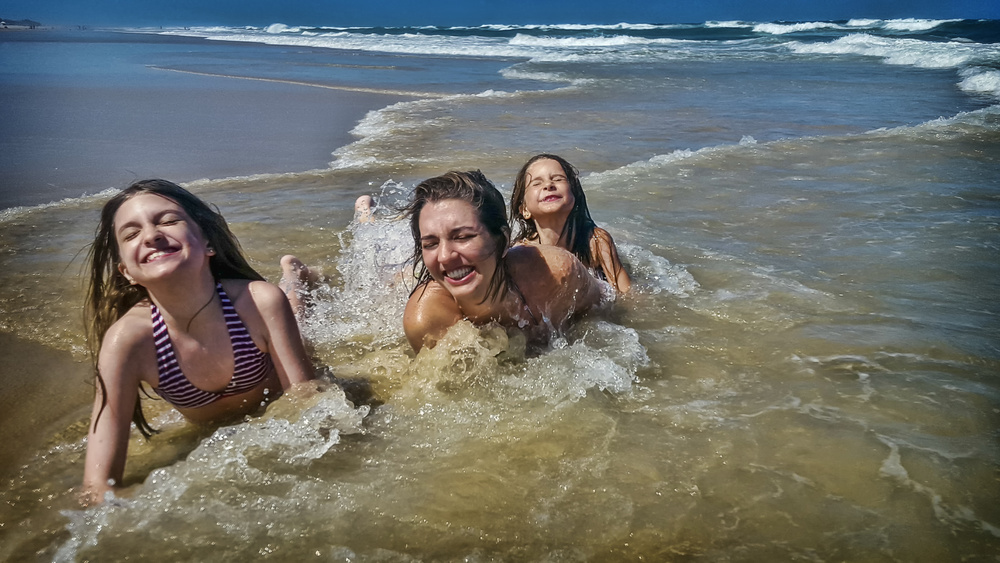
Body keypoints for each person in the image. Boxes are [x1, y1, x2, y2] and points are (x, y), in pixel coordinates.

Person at [82, 179, 314, 504]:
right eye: (131, 234)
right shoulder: (127, 341)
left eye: (168, 221)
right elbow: (96, 485)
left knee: (297, 315)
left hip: (267, 347)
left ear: (207, 243)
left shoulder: (258, 302)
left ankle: (294, 275)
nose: (151, 235)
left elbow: (306, 401)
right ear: (127, 272)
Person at [402, 170, 601, 352]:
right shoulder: (428, 322)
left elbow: (603, 310)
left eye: (462, 237)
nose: (445, 256)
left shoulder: (556, 273)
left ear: (504, 240)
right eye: (431, 244)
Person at [510, 154, 631, 293]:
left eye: (558, 179)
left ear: (575, 195)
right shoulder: (522, 254)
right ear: (525, 210)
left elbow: (625, 294)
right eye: (537, 183)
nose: (548, 185)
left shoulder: (596, 242)